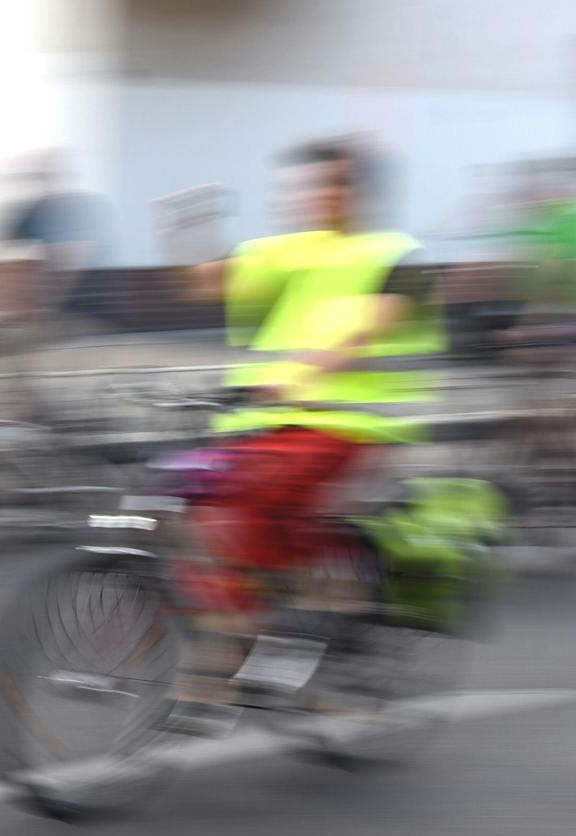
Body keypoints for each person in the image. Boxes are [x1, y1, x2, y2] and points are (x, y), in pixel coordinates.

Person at [184, 136, 441, 700]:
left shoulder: (397, 253)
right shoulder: (282, 251)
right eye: (311, 183)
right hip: (267, 422)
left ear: (365, 192)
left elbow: (372, 325)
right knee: (191, 495)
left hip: (350, 422)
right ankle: (251, 627)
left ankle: (269, 633)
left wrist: (304, 373)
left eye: (337, 182)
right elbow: (212, 285)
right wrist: (197, 233)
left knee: (252, 497)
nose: (320, 194)